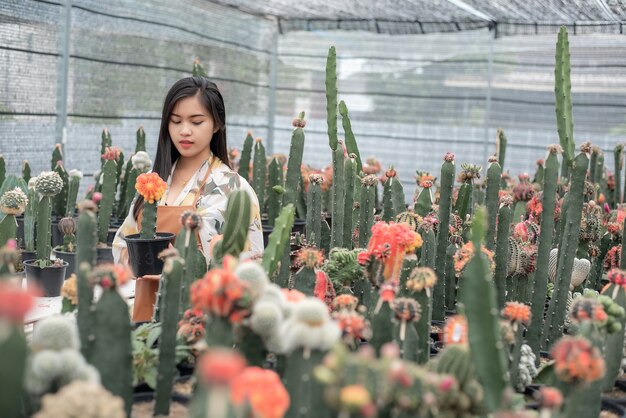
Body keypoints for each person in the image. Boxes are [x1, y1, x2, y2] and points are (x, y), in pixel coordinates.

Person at [112, 76, 264, 321]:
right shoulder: (155, 181)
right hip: (145, 315)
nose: (184, 130)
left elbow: (253, 264)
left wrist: (185, 271)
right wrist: (131, 260)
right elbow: (123, 241)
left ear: (216, 124)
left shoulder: (234, 188)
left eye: (196, 121)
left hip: (198, 321)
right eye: (175, 121)